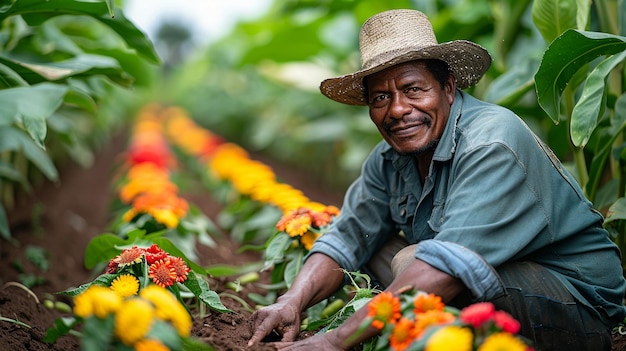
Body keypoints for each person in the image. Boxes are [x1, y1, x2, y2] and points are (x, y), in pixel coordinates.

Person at [247, 9, 626, 351]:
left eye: (413, 89)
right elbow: (347, 235)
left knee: (414, 261)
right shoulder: (389, 158)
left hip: (578, 307)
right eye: (380, 97)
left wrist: (333, 341)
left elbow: (445, 270)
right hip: (500, 281)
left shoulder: (490, 142)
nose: (397, 110)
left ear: (448, 88)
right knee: (369, 248)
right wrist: (291, 301)